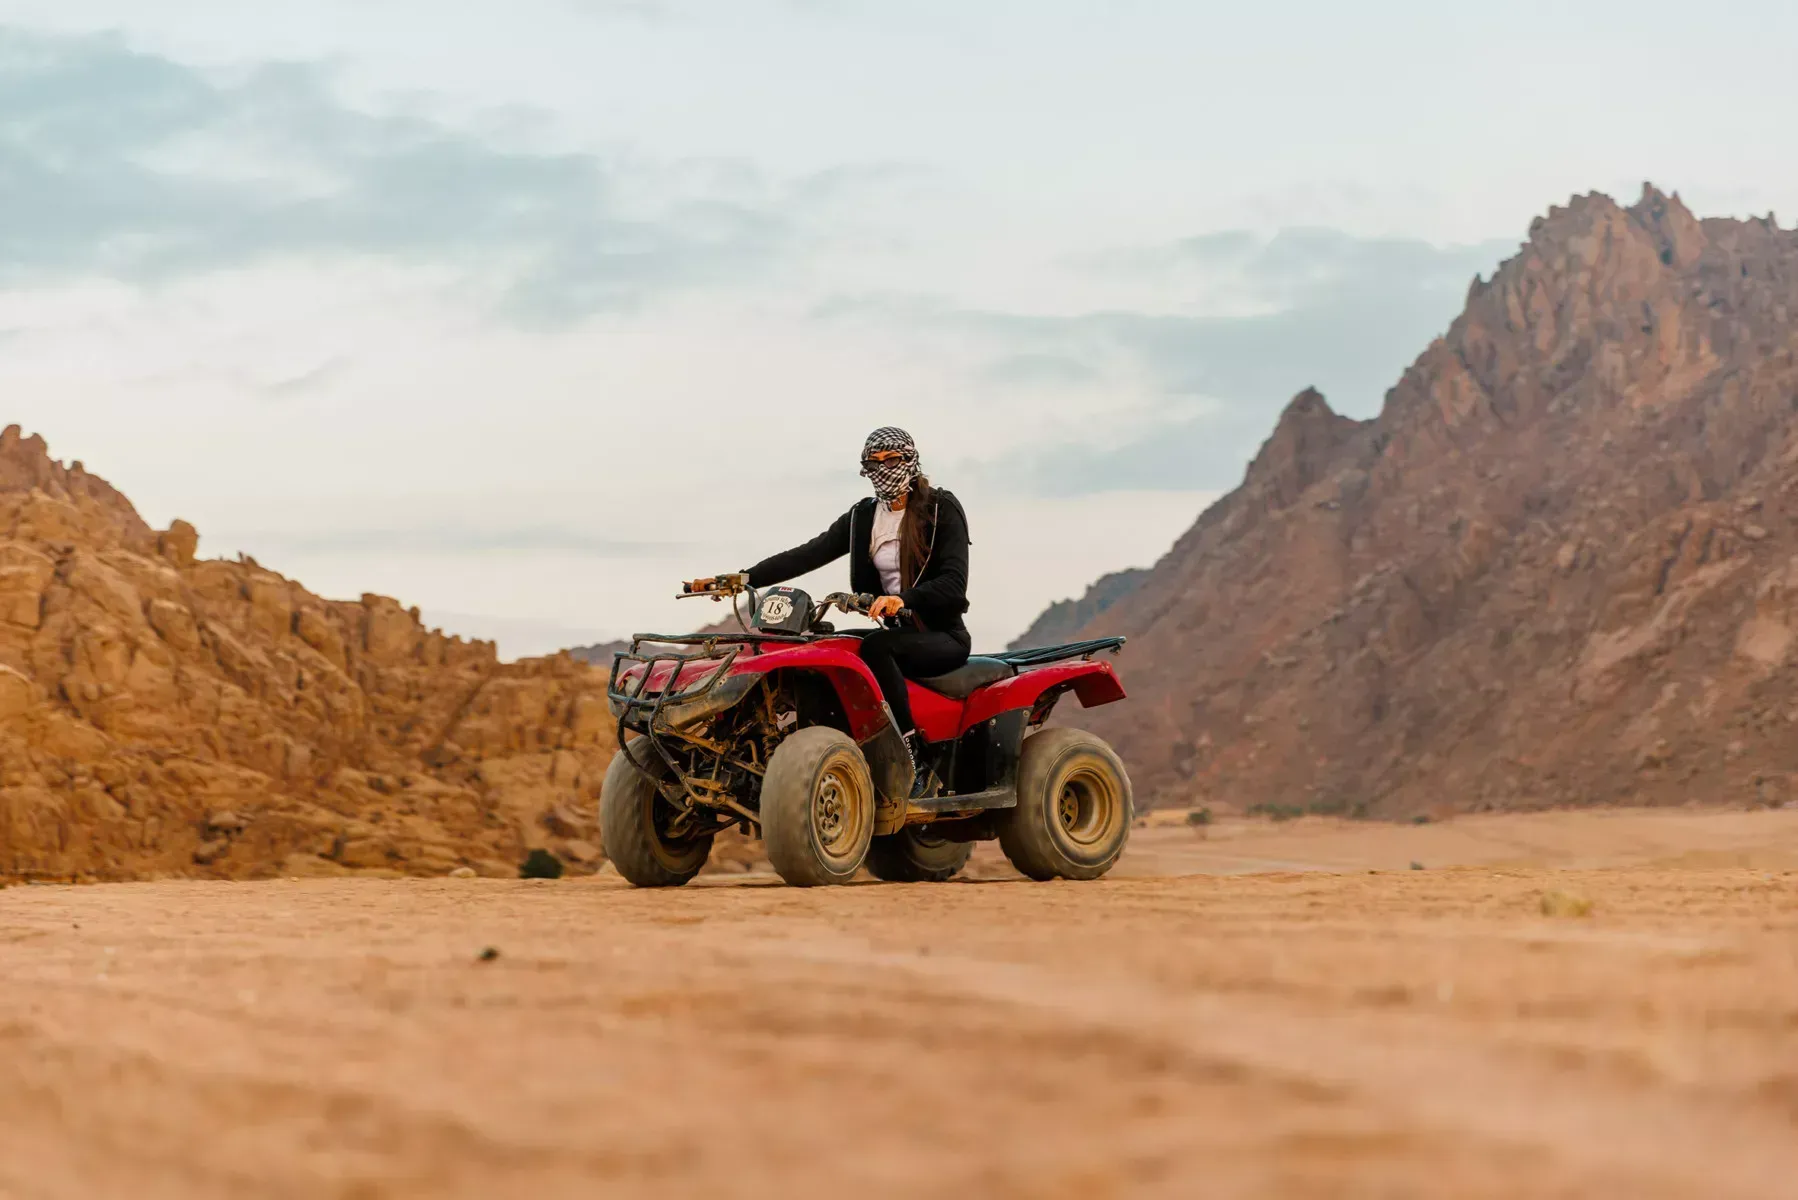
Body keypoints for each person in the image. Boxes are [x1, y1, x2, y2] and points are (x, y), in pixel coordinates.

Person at [688, 426, 971, 773]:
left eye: (893, 460)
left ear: (911, 461)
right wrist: (743, 579)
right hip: (898, 632)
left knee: (877, 649)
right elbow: (808, 554)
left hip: (943, 636)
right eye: (875, 462)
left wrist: (904, 600)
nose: (884, 469)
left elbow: (954, 583)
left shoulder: (941, 509)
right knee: (834, 646)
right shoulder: (863, 516)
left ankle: (913, 756)